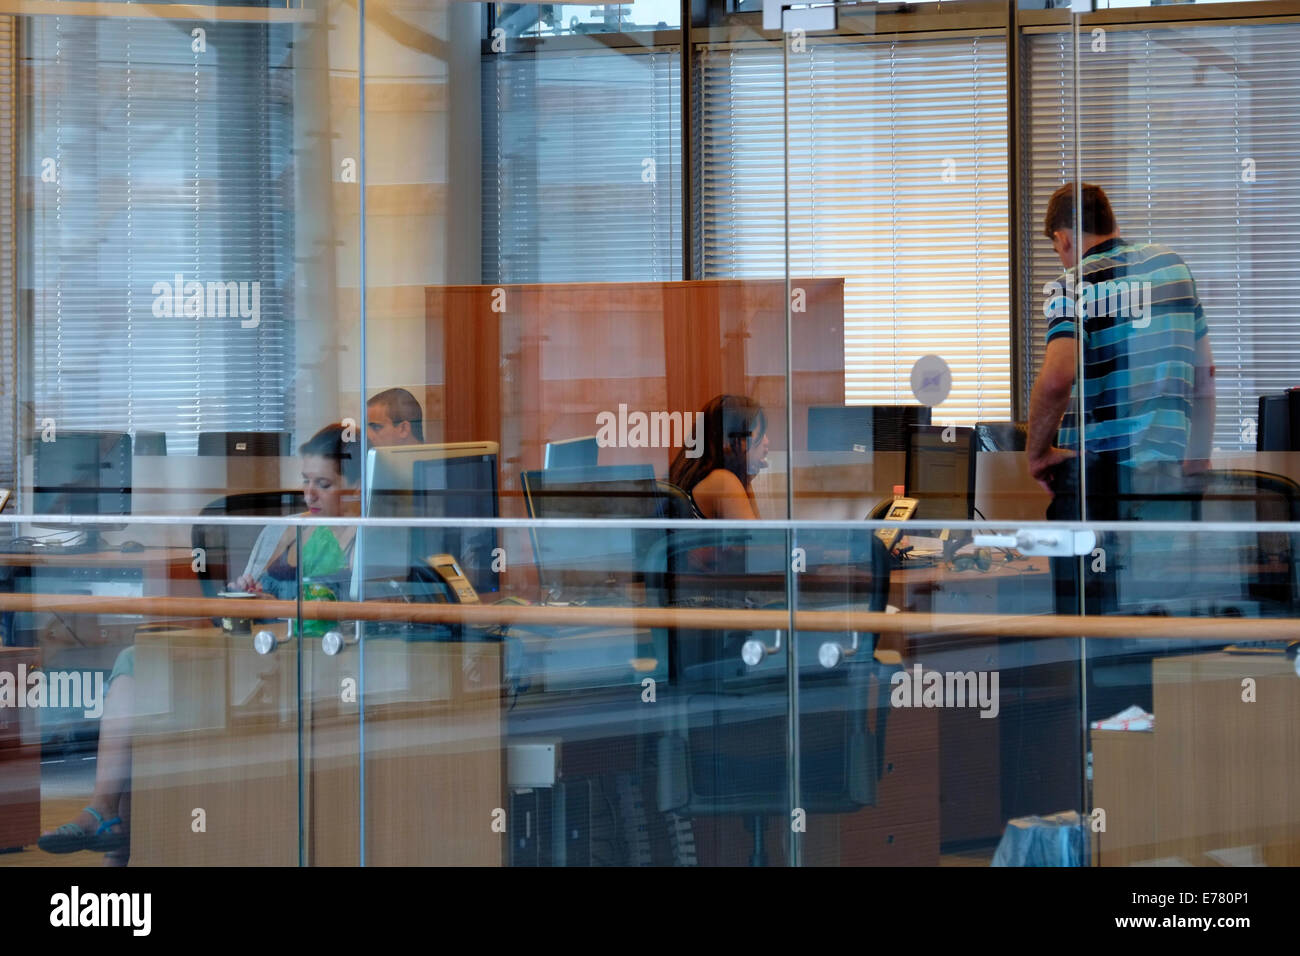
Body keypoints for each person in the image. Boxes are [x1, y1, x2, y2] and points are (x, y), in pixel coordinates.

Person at [38, 424, 361, 863]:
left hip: (302, 669)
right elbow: (242, 601)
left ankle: (118, 839)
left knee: (155, 685)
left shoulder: (364, 536)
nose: (309, 494)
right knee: (136, 662)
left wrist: (276, 610)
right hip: (249, 650)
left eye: (323, 484)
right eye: (305, 481)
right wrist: (246, 593)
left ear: (356, 487)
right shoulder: (285, 531)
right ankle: (104, 809)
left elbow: (347, 622)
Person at [1028, 182, 1216, 644]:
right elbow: (1206, 376)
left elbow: (1057, 377)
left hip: (1100, 487)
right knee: (1162, 638)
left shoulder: (1070, 286)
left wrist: (1037, 453)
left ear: (1063, 239)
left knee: (1092, 645)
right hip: (1167, 487)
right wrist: (1195, 460)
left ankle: (1107, 718)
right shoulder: (1174, 268)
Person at [669, 394, 770, 520]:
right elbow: (756, 537)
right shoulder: (723, 481)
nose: (766, 441)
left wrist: (746, 479)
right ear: (731, 441)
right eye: (760, 433)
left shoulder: (705, 478)